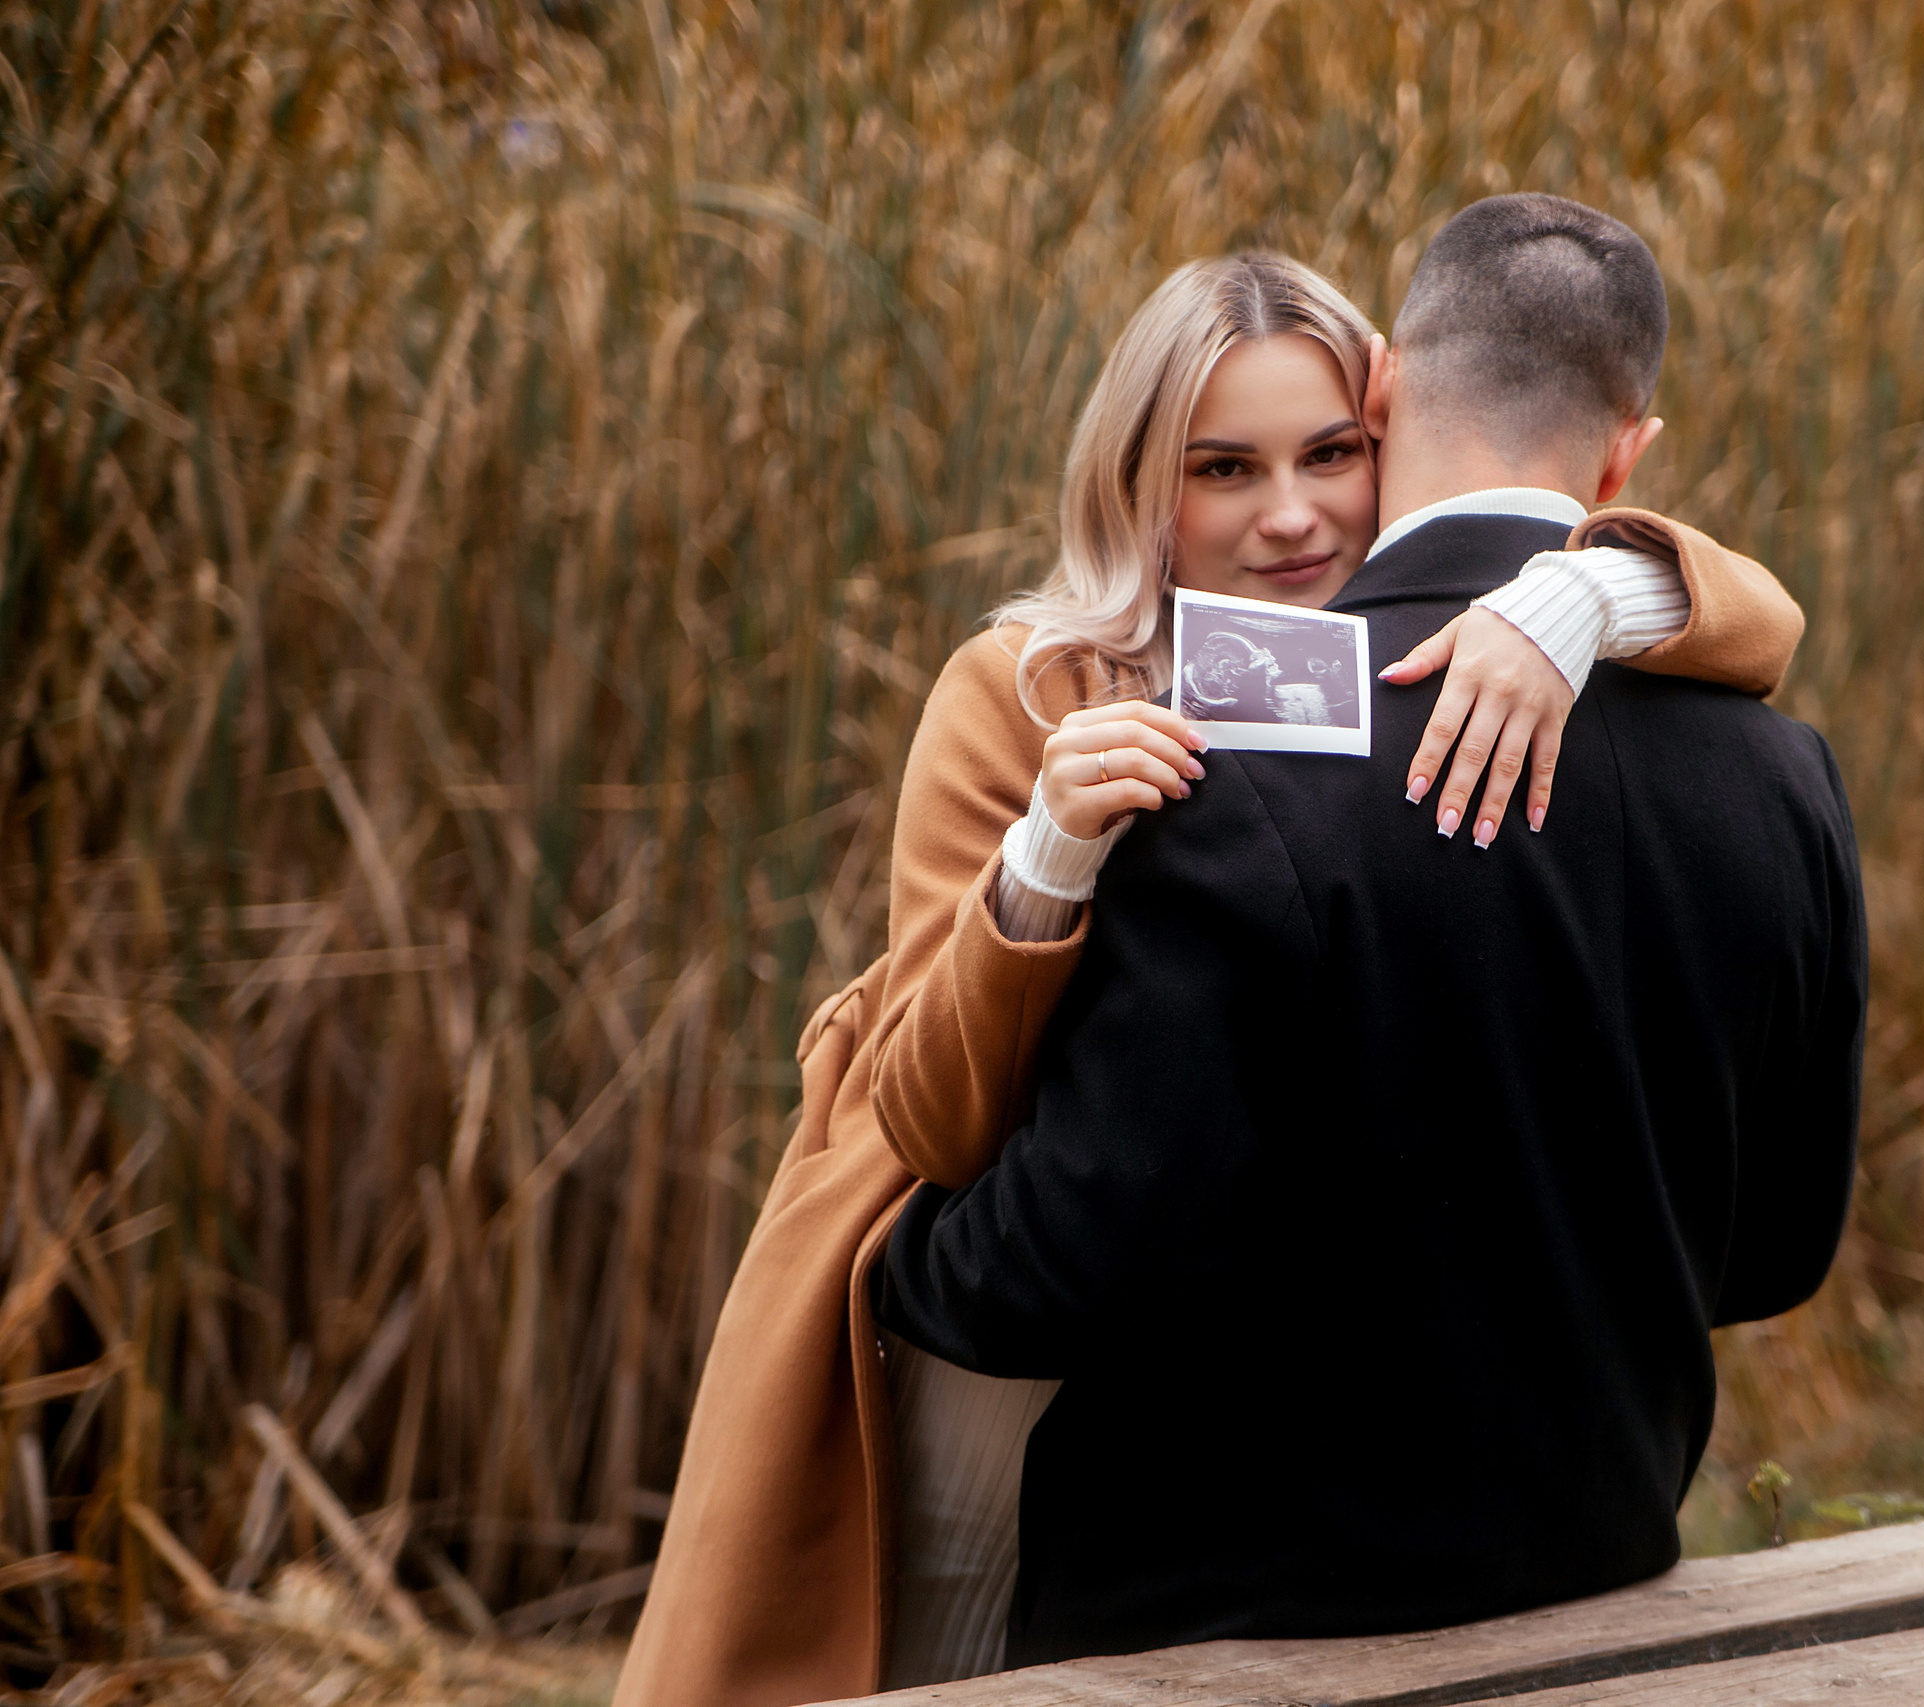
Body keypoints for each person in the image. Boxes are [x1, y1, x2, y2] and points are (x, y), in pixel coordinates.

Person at [617, 239, 1807, 1706]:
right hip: (1010, 1364)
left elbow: (1763, 619)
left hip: (1270, 1401)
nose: (1294, 516)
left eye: (1333, 453)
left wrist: (1586, 600)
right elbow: (929, 1121)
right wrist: (1046, 860)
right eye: (1224, 469)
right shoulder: (1033, 685)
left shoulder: (1468, 667)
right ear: (1140, 485)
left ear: (1392, 422)